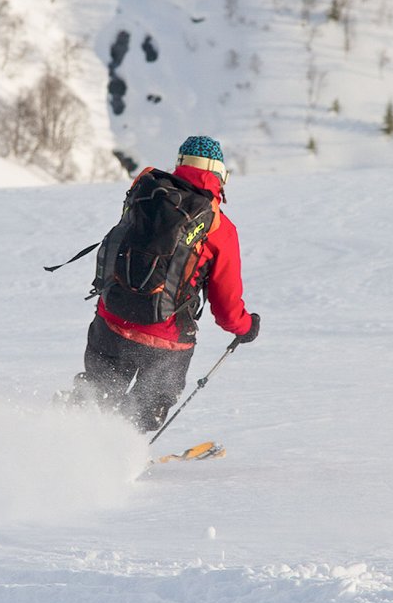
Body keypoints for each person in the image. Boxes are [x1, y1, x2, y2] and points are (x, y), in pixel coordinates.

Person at [72, 135, 260, 432]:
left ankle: (60, 441)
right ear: (220, 174)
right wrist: (246, 327)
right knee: (143, 412)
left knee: (96, 395)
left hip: (111, 319)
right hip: (167, 337)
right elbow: (226, 309)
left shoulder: (145, 191)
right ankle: (117, 460)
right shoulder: (219, 227)